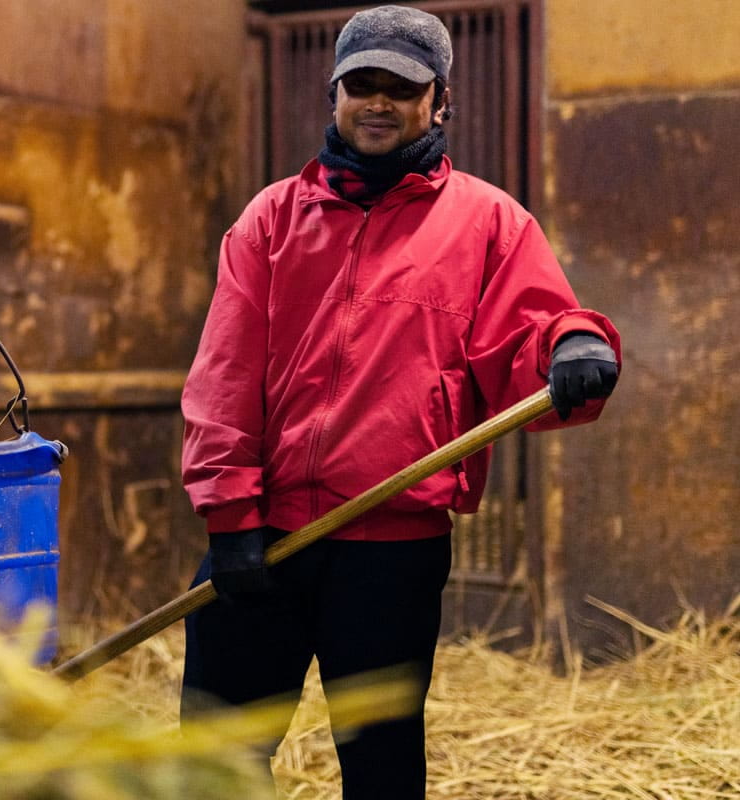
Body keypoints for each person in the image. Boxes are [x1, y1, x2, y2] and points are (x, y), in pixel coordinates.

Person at [178, 5, 620, 799]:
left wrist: (573, 346)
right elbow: (224, 375)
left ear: (438, 102)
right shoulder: (270, 221)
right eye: (362, 84)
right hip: (261, 538)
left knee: (381, 766)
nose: (377, 102)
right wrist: (230, 514)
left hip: (390, 547)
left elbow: (532, 333)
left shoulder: (489, 223)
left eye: (401, 87)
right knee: (215, 761)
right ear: (334, 93)